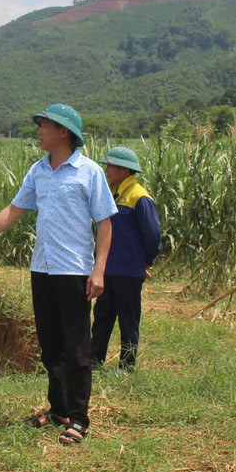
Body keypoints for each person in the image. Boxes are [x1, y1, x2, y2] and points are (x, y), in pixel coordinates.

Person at [0, 104, 117, 445]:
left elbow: (105, 224)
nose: (39, 131)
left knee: (77, 349)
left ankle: (79, 419)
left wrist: (99, 270)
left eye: (44, 125)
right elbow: (14, 210)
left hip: (74, 271)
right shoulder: (39, 170)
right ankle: (59, 411)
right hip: (42, 269)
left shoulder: (89, 172)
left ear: (63, 131)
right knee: (50, 347)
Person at [91, 146, 161, 370]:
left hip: (128, 271)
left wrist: (144, 262)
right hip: (108, 269)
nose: (107, 170)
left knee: (128, 320)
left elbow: (152, 236)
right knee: (102, 316)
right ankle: (94, 361)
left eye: (111, 166)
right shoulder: (111, 193)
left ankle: (127, 366)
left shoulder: (139, 197)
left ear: (125, 170)